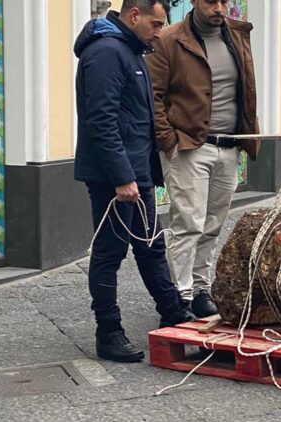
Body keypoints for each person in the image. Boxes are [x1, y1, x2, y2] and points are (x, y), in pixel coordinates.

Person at [74, 0, 196, 363]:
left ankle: (172, 309)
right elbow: (102, 121)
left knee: (151, 245)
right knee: (110, 253)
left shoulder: (130, 51)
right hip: (115, 179)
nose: (160, 31)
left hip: (136, 175)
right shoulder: (107, 53)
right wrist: (122, 177)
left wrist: (142, 175)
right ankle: (108, 332)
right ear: (133, 16)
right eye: (156, 24)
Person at [146, 0, 259, 317]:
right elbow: (152, 95)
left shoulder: (237, 35)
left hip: (230, 146)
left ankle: (199, 289)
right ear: (194, 1)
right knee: (189, 224)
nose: (219, 8)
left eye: (224, 1)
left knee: (213, 224)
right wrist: (169, 141)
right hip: (190, 147)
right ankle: (179, 297)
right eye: (211, 1)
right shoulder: (169, 39)